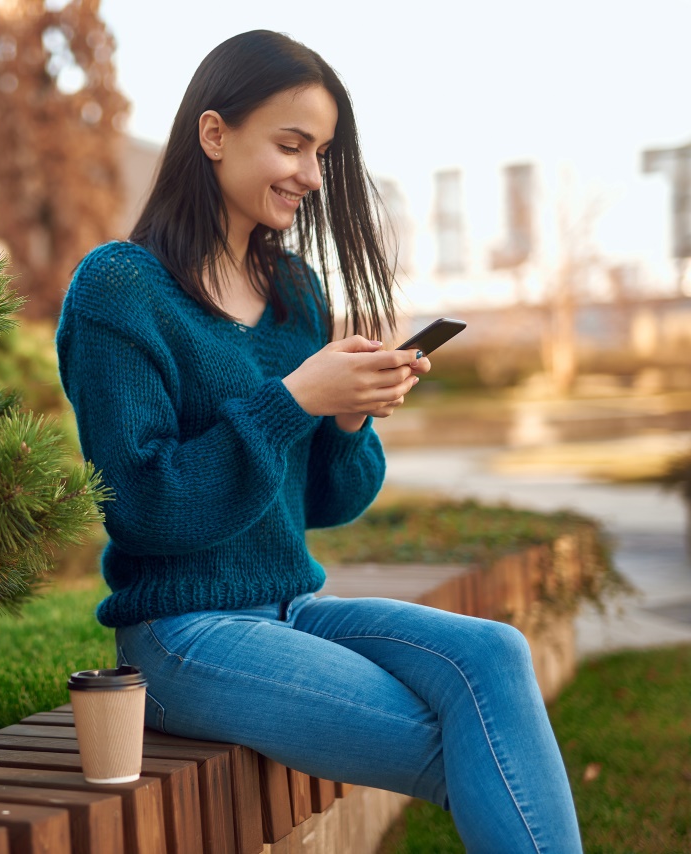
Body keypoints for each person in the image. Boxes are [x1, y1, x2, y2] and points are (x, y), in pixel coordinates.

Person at [54, 30, 582, 853]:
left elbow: (332, 500)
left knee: (494, 652)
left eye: (323, 153)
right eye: (291, 144)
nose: (310, 173)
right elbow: (146, 507)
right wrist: (293, 398)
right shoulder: (121, 289)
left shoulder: (294, 290)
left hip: (293, 607)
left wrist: (344, 418)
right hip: (181, 636)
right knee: (479, 745)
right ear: (215, 134)